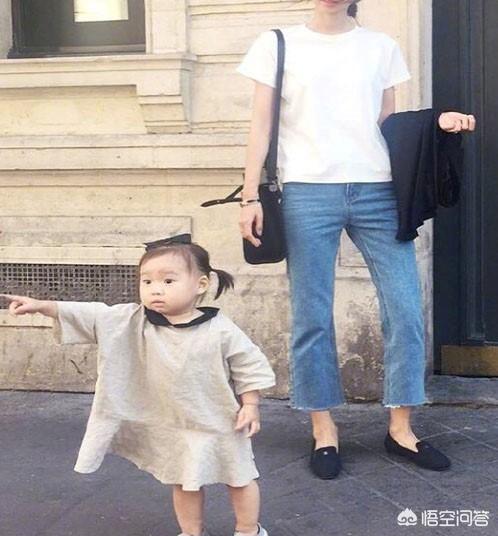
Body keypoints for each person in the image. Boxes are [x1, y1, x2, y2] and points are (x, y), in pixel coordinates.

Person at [236, 0, 476, 479]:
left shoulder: (381, 46)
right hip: (307, 192)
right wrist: (249, 196)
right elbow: (260, 125)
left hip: (378, 190)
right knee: (311, 315)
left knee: (405, 308)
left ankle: (401, 428)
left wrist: (435, 123)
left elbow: (388, 126)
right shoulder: (276, 44)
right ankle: (324, 429)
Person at [1, 234, 275, 536]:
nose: (155, 289)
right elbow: (91, 313)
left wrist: (250, 404)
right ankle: (191, 531)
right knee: (183, 481)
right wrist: (43, 305)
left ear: (201, 284)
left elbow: (248, 364)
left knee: (239, 478)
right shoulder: (130, 320)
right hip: (174, 423)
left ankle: (248, 530)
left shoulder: (220, 329)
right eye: (147, 281)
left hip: (220, 420)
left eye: (168, 281)